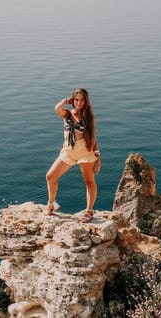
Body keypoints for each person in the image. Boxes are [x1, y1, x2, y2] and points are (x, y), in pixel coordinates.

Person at [45, 88, 101, 223]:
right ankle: (52, 203)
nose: (79, 102)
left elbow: (93, 138)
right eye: (76, 99)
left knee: (89, 182)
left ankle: (89, 211)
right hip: (68, 151)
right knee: (50, 176)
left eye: (82, 100)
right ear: (72, 100)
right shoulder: (67, 114)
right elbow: (57, 108)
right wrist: (65, 101)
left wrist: (97, 158)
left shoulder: (90, 117)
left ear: (86, 101)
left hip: (85, 151)